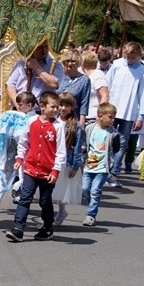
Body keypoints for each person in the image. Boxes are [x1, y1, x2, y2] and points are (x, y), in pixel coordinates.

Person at [5, 91, 66, 242]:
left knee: (45, 201)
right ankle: (18, 228)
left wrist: (55, 170)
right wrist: (20, 158)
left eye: (57, 107)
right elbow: (24, 141)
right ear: (42, 106)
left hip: (47, 172)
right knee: (24, 198)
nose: (56, 109)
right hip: (31, 169)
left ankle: (47, 227)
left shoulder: (58, 127)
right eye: (53, 107)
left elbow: (61, 151)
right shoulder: (31, 121)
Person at [105, 42, 144, 187]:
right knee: (108, 139)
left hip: (130, 111)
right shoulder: (117, 65)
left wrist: (141, 116)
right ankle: (104, 169)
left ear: (138, 55)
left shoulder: (142, 70)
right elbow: (108, 84)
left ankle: (114, 173)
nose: (129, 59)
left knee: (122, 142)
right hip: (113, 108)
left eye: (132, 57)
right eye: (127, 56)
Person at [0, 91, 37, 213]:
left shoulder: (34, 119)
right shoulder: (13, 115)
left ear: (30, 105)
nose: (18, 106)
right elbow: (4, 133)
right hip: (12, 150)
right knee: (6, 173)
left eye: (22, 104)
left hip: (28, 152)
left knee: (25, 176)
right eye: (18, 104)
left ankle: (23, 202)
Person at [82, 102, 120, 225]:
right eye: (110, 117)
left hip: (102, 167)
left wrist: (111, 163)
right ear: (100, 115)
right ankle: (92, 201)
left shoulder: (113, 133)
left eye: (114, 117)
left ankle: (90, 215)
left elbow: (116, 148)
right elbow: (84, 142)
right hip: (89, 165)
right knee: (84, 189)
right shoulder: (90, 129)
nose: (112, 120)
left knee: (95, 191)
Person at [52, 92, 83, 226]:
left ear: (72, 107)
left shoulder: (75, 126)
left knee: (62, 188)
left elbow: (77, 147)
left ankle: (61, 210)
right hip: (52, 160)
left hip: (67, 161)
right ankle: (51, 213)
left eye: (67, 105)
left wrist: (76, 165)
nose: (63, 108)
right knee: (52, 188)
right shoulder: (52, 121)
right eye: (61, 105)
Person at [6, 40, 64, 111]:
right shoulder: (21, 63)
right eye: (40, 47)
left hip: (39, 111)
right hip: (19, 109)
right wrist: (17, 103)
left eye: (46, 47)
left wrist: (37, 67)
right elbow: (10, 85)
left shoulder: (55, 65)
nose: (44, 50)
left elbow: (54, 84)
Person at [56, 50, 90, 125]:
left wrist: (81, 124)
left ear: (78, 62)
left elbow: (84, 103)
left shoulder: (84, 79)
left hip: (73, 119)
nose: (70, 63)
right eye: (67, 61)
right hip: (56, 117)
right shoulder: (59, 76)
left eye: (73, 61)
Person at [82, 51, 109, 125]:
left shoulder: (98, 75)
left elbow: (105, 95)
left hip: (93, 117)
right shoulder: (86, 76)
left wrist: (100, 114)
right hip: (85, 115)